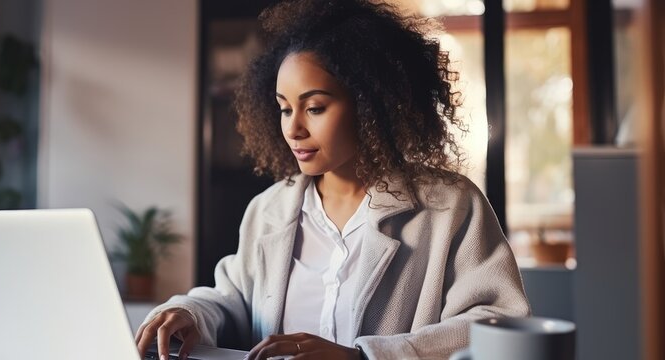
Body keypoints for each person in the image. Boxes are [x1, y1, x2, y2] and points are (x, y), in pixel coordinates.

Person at [135, 0, 530, 359]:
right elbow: (233, 297)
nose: (294, 129)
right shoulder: (269, 209)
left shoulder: (450, 205)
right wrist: (189, 311)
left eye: (316, 107)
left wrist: (364, 357)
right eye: (285, 109)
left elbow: (497, 321)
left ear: (371, 102)